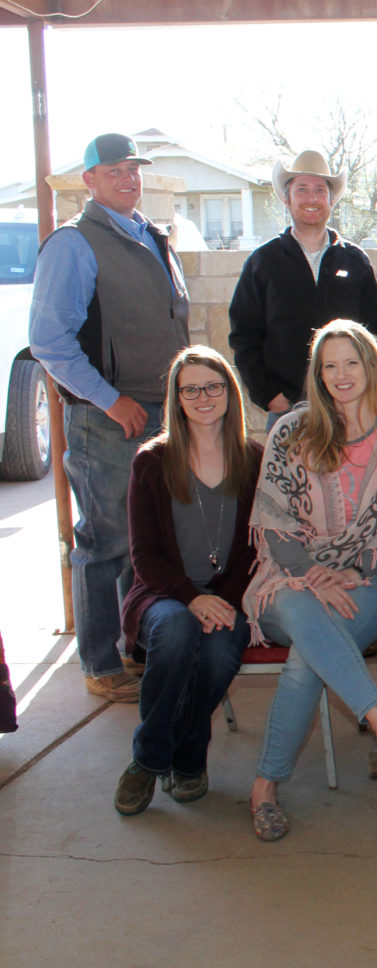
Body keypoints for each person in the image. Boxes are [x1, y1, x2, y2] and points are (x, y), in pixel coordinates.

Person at [245, 320, 377, 842]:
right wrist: (309, 574)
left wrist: (353, 570)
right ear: (318, 375)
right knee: (305, 613)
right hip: (289, 579)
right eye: (330, 366)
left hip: (375, 576)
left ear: (372, 367)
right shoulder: (291, 431)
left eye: (351, 362)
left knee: (309, 652)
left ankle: (264, 788)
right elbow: (274, 521)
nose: (341, 375)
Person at [29, 132, 190, 701]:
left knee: (145, 540)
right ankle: (100, 663)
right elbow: (48, 341)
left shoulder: (150, 235)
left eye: (134, 168)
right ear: (89, 180)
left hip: (158, 416)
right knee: (105, 542)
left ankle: (133, 647)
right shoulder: (73, 244)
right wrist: (107, 399)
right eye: (114, 169)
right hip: (110, 420)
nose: (128, 177)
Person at [114, 346, 264, 815]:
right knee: (177, 629)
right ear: (176, 399)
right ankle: (157, 757)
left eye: (213, 386)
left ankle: (180, 753)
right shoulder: (151, 462)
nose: (203, 397)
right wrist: (190, 598)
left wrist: (223, 600)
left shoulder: (254, 460)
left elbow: (259, 548)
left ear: (229, 393)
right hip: (162, 593)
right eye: (190, 389)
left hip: (229, 596)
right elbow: (144, 556)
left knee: (220, 650)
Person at [228, 149, 377, 421]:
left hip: (350, 406)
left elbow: (376, 332)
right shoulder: (263, 262)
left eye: (319, 190)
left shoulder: (355, 260)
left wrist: (368, 392)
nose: (311, 198)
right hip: (288, 409)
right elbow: (244, 335)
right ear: (287, 199)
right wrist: (267, 394)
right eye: (302, 190)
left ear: (331, 199)